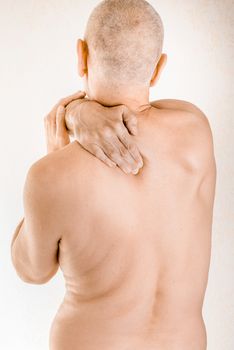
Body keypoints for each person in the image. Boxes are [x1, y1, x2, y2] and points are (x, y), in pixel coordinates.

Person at [11, 0, 216, 349]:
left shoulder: (51, 176)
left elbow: (31, 270)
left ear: (81, 55)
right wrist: (82, 112)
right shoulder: (195, 131)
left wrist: (68, 126)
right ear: (157, 68)